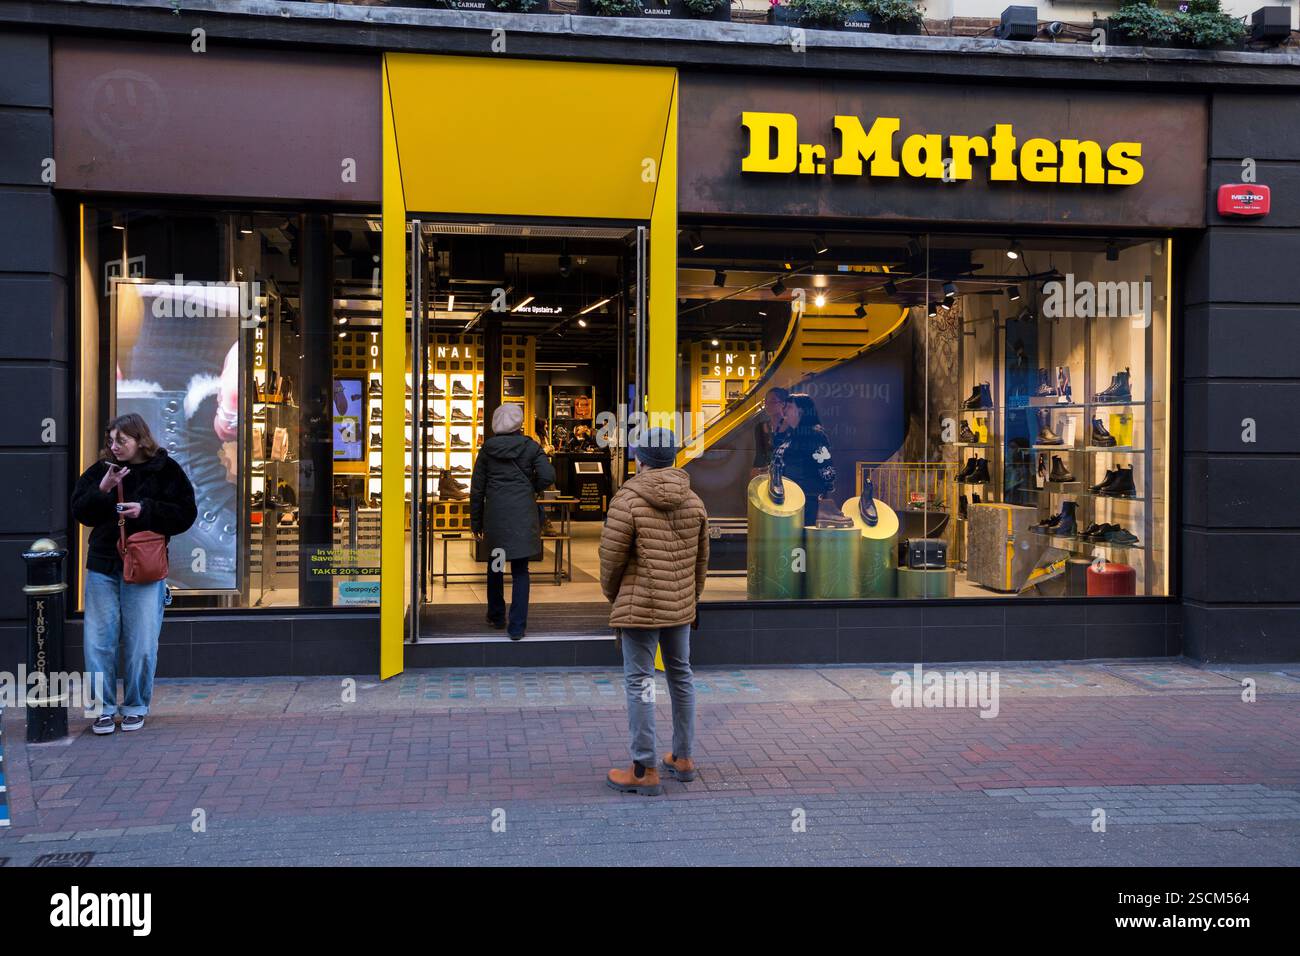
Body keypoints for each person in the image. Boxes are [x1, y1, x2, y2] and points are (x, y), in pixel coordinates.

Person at [600, 427, 709, 797]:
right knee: (681, 675)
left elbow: (610, 560)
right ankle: (683, 758)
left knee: (641, 680)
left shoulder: (627, 500)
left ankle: (644, 768)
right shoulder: (694, 501)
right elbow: (701, 562)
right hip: (679, 605)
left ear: (640, 459)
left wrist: (614, 595)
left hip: (640, 606)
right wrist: (691, 599)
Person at [71, 413, 197, 734]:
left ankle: (135, 705)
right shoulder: (101, 471)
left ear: (140, 440)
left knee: (142, 642)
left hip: (145, 567)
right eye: (111, 441)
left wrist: (146, 510)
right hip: (103, 566)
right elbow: (80, 512)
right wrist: (103, 488)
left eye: (121, 441)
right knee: (99, 642)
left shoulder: (165, 470)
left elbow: (185, 514)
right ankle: (102, 708)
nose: (114, 447)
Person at [470, 403, 556, 640]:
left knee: (496, 567)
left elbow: (477, 490)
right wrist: (530, 489)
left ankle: (497, 615)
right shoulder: (530, 447)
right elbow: (549, 476)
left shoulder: (487, 450)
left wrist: (475, 522)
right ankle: (517, 627)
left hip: (496, 517)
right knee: (520, 571)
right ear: (519, 424)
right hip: (522, 516)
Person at [770, 392, 837, 527]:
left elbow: (827, 471)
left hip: (807, 502)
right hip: (790, 500)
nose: (784, 410)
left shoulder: (814, 434)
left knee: (802, 541)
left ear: (800, 411)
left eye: (789, 406)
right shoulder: (791, 435)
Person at [750, 387, 790, 477]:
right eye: (766, 402)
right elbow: (759, 454)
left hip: (787, 473)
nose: (767, 405)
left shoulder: (791, 426)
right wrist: (756, 471)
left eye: (772, 401)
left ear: (783, 404)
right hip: (767, 472)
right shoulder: (760, 427)